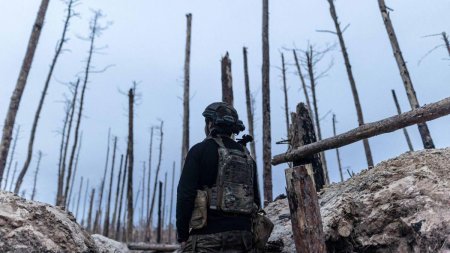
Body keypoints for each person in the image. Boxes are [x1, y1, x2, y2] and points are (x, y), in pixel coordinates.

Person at [176, 102, 261, 253]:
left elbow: (185, 195)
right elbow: (256, 201)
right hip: (243, 238)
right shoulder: (247, 157)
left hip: (207, 239)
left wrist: (182, 235)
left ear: (210, 124)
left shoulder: (199, 151)